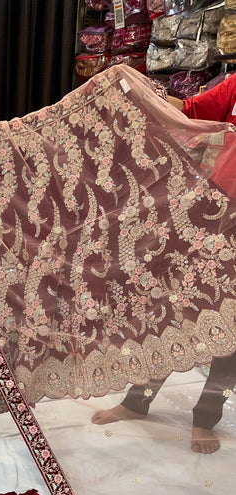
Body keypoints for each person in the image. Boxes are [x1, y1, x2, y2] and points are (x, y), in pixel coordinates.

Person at [92, 72, 236, 455]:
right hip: (214, 213)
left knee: (234, 329)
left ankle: (205, 418)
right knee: (175, 309)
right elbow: (187, 113)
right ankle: (136, 402)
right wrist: (133, 88)